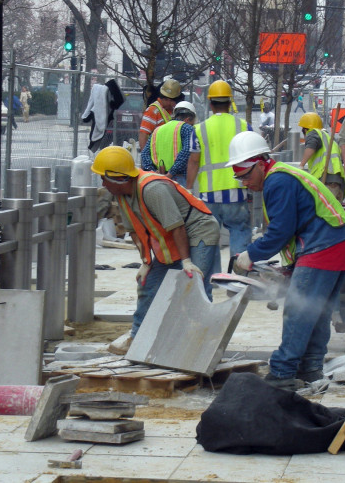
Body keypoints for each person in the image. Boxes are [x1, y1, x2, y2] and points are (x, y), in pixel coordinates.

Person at [228, 131, 345, 390]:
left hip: (323, 246)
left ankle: (283, 372)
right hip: (336, 243)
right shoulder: (281, 175)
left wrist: (250, 255)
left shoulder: (278, 182)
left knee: (299, 310)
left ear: (261, 164)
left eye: (246, 176)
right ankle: (310, 370)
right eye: (239, 178)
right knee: (316, 311)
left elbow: (280, 230)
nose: (244, 183)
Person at [91, 146, 221, 355]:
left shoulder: (152, 189)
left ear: (118, 178)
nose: (102, 184)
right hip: (173, 235)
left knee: (195, 286)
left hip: (198, 230)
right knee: (147, 285)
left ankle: (199, 344)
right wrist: (146, 262)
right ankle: (138, 336)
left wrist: (187, 262)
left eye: (104, 179)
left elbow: (177, 225)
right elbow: (135, 232)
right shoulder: (124, 195)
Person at [186, 79, 252, 260]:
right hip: (236, 192)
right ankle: (238, 278)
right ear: (230, 103)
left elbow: (193, 161)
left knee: (208, 238)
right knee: (239, 231)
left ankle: (209, 280)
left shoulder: (199, 129)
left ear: (210, 104)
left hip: (209, 195)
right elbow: (252, 159)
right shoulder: (244, 127)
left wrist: (189, 189)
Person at [140, 100, 197, 186]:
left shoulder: (157, 130)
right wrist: (170, 174)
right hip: (178, 178)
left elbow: (144, 154)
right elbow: (186, 152)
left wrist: (154, 172)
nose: (192, 126)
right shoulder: (188, 128)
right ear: (188, 119)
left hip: (158, 178)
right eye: (192, 123)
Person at [298, 112, 345, 201]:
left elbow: (311, 147)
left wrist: (301, 164)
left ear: (305, 129)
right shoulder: (327, 136)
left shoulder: (313, 133)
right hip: (338, 181)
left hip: (326, 181)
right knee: (333, 212)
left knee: (324, 212)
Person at [138, 79, 182, 151]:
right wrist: (146, 158)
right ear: (168, 99)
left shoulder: (174, 111)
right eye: (171, 101)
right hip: (157, 157)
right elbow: (143, 135)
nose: (172, 103)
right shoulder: (153, 111)